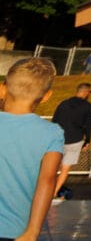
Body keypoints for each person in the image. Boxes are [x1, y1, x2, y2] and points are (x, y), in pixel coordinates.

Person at [0, 57, 64, 241]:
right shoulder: (52, 133)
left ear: (2, 89)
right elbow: (47, 180)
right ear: (46, 96)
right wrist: (33, 231)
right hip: (15, 230)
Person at [49, 82, 91, 202]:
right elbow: (88, 124)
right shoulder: (88, 106)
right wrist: (87, 140)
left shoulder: (64, 103)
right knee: (65, 168)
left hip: (58, 138)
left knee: (52, 166)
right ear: (85, 92)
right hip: (75, 140)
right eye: (89, 92)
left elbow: (54, 120)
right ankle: (54, 193)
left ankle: (44, 189)